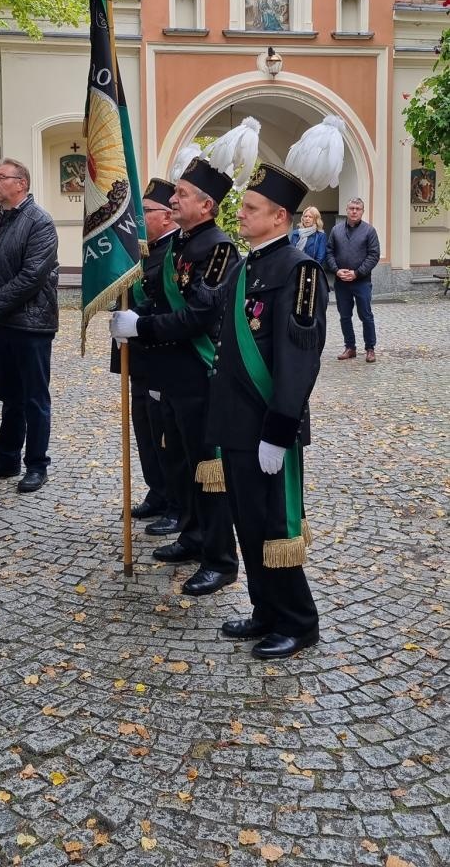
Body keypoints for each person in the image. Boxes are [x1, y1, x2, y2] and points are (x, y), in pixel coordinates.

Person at [206, 163, 328, 659]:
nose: (243, 216)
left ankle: (299, 621)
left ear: (280, 216)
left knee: (275, 525)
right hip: (234, 422)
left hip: (266, 427)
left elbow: (299, 359)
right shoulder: (244, 264)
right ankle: (264, 610)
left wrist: (279, 431)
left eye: (252, 209)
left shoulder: (299, 270)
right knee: (248, 522)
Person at [111, 154, 241, 597]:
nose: (174, 199)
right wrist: (134, 315)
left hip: (201, 377)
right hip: (172, 377)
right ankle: (191, 535)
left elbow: (200, 315)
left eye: (182, 194)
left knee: (209, 472)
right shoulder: (182, 244)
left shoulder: (220, 249)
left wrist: (142, 327)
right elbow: (165, 303)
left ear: (206, 206)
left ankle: (220, 559)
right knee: (182, 466)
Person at [0, 158, 59, 493]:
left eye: (1, 177)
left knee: (34, 398)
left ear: (21, 183)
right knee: (9, 396)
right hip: (0, 325)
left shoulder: (40, 222)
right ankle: (7, 459)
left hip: (31, 325)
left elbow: (31, 277)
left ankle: (36, 465)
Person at [112, 178, 180, 532]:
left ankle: (175, 501)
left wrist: (137, 321)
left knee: (165, 434)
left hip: (162, 357)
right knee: (145, 429)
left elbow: (170, 306)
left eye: (145, 212)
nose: (138, 220)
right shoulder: (142, 251)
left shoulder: (174, 253)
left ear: (167, 216)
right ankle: (156, 490)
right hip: (139, 357)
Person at [326, 197, 380, 363]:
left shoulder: (369, 231)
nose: (354, 211)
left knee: (366, 315)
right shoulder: (336, 230)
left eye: (358, 208)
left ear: (362, 211)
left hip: (361, 281)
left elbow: (374, 255)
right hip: (341, 281)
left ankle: (370, 348)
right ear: (346, 210)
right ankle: (350, 347)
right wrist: (336, 270)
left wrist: (357, 273)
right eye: (351, 208)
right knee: (344, 316)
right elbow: (329, 252)